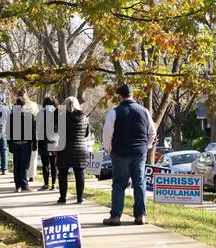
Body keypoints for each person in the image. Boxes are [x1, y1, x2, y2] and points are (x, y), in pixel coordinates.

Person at [102, 84, 156, 226]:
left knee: (119, 184)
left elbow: (107, 134)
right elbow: (152, 132)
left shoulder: (114, 112)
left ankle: (115, 216)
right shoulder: (144, 111)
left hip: (119, 153)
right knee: (139, 183)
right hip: (139, 153)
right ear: (132, 95)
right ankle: (140, 216)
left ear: (120, 96)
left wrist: (109, 149)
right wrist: (147, 146)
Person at [56, 96, 90, 204]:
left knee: (62, 173)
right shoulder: (84, 117)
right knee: (79, 174)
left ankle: (62, 197)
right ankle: (80, 198)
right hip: (80, 149)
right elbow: (86, 134)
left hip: (65, 148)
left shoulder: (62, 118)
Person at [7, 97, 37, 193]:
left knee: (17, 165)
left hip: (15, 143)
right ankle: (24, 185)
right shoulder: (29, 115)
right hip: (25, 143)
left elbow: (8, 131)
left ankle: (17, 186)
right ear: (24, 105)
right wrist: (34, 143)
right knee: (24, 165)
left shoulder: (11, 116)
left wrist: (10, 143)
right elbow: (33, 131)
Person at [17, 90, 39, 182]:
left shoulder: (18, 106)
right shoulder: (34, 105)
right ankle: (31, 176)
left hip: (21, 134)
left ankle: (22, 176)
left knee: (21, 158)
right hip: (34, 131)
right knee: (33, 156)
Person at [37, 97, 59, 191]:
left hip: (43, 141)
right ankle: (54, 184)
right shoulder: (58, 113)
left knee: (45, 164)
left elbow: (37, 128)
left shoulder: (40, 113)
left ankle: (46, 184)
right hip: (55, 141)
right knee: (54, 164)